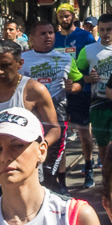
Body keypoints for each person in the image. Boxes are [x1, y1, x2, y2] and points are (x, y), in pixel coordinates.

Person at [20, 20, 84, 193]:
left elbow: (79, 83)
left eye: (50, 33)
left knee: (58, 148)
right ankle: (36, 182)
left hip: (58, 109)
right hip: (31, 111)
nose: (48, 37)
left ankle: (60, 182)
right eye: (43, 33)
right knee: (34, 146)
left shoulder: (65, 58)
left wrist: (74, 87)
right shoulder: (22, 59)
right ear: (32, 38)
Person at [0, 40, 60, 148]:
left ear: (20, 63)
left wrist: (41, 148)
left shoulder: (35, 90)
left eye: (5, 65)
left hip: (26, 162)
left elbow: (54, 129)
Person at [76, 14, 112, 169]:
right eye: (102, 30)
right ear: (97, 30)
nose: (105, 33)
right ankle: (107, 175)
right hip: (98, 103)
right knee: (103, 145)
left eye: (109, 29)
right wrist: (87, 78)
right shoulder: (88, 50)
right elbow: (76, 74)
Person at [54, 4, 97, 189]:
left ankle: (88, 165)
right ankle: (61, 177)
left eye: (67, 16)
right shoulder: (53, 38)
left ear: (73, 16)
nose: (65, 19)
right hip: (59, 93)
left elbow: (91, 61)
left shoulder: (84, 36)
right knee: (60, 134)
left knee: (82, 132)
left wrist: (85, 80)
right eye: (61, 16)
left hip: (81, 90)